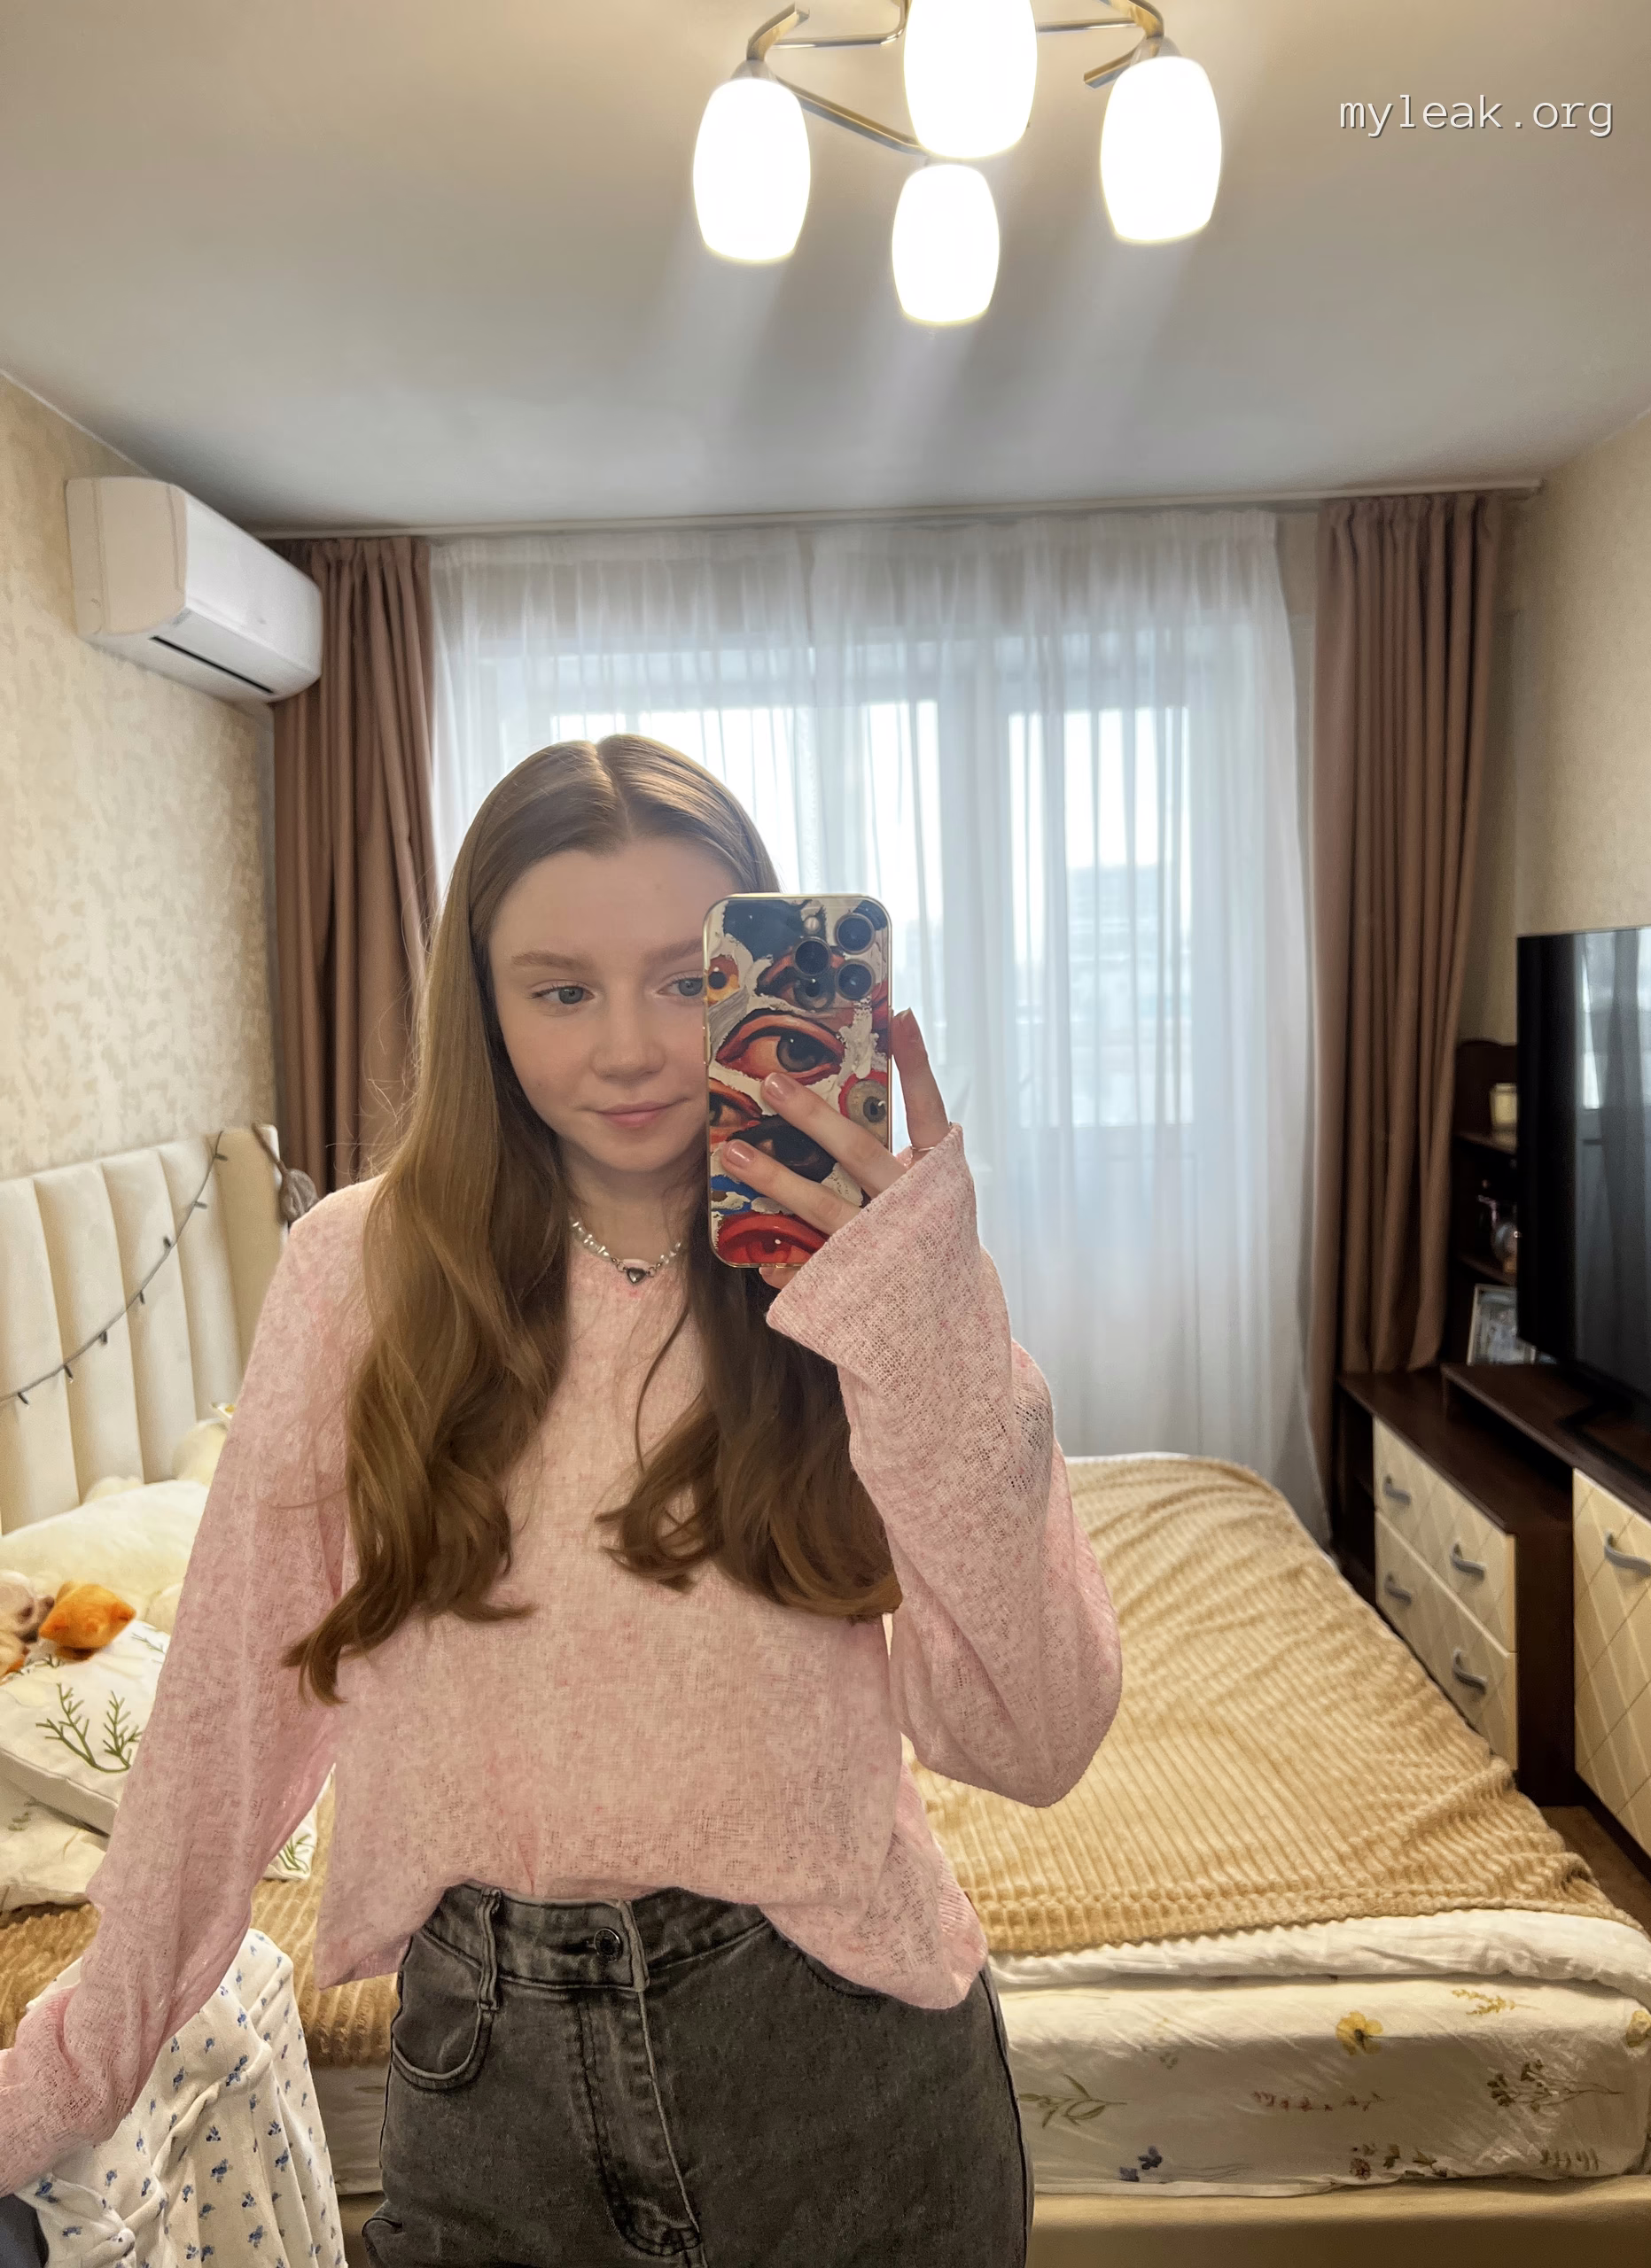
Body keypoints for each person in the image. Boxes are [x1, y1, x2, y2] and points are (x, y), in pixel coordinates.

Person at [0, 737, 1123, 2264]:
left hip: (845, 2067)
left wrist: (921, 1328)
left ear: (758, 977)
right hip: (487, 2080)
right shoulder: (359, 1276)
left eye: (686, 980)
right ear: (482, 1003)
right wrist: (64, 2077)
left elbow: (1033, 1739)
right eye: (562, 990)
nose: (634, 1050)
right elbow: (226, 1714)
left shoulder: (868, 1279)